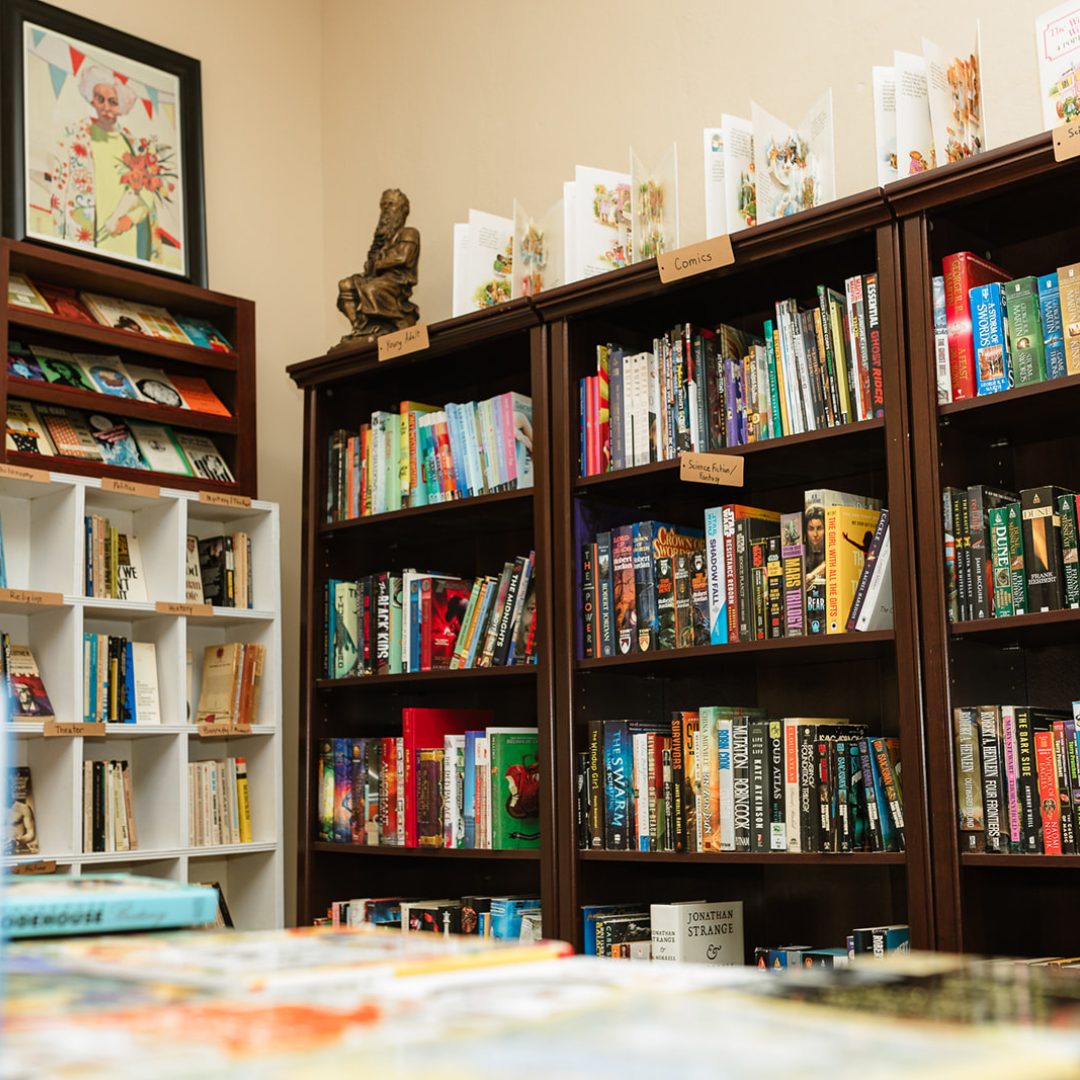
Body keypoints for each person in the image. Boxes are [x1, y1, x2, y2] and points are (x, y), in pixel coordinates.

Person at [49, 65, 164, 264]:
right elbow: (62, 186)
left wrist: (128, 220)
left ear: (121, 106)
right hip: (88, 236)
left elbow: (148, 193)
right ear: (91, 98)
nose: (106, 107)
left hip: (126, 239)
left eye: (113, 102)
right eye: (100, 99)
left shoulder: (135, 147)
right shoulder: (76, 137)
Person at [335, 189, 419, 344]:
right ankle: (360, 329)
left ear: (402, 210)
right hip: (376, 278)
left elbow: (403, 258)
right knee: (345, 285)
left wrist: (379, 263)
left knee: (371, 290)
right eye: (383, 205)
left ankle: (399, 320)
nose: (386, 209)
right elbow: (371, 264)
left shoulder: (409, 233)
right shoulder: (382, 238)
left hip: (397, 281)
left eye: (391, 204)